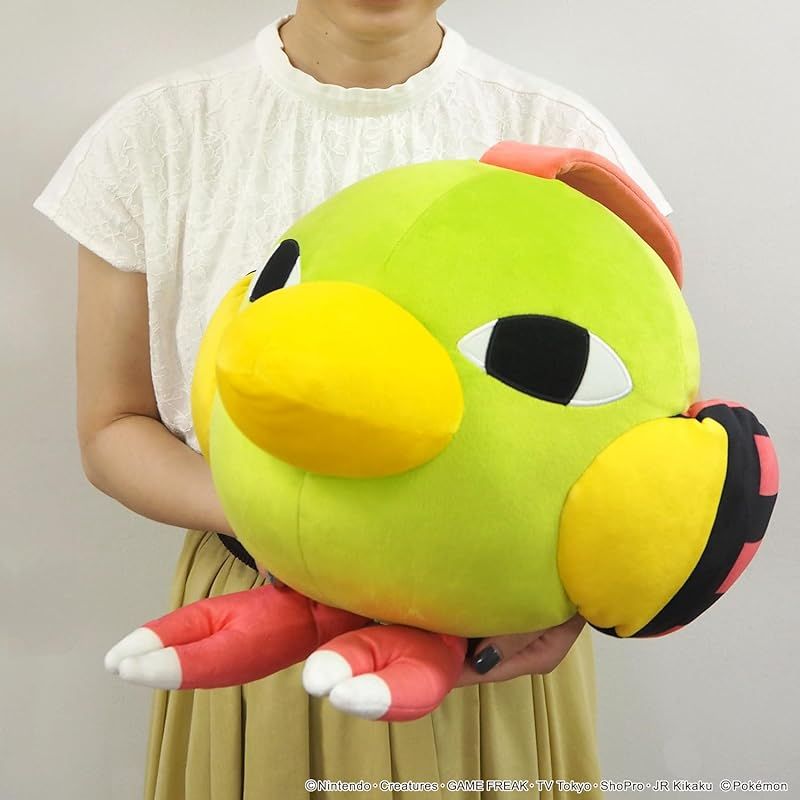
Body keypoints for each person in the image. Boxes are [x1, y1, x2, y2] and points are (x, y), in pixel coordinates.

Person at [33, 2, 673, 797]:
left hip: (492, 629)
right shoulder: (158, 134)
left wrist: (578, 599)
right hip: (255, 620)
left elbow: (644, 419)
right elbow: (112, 425)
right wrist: (289, 523)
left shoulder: (559, 139)